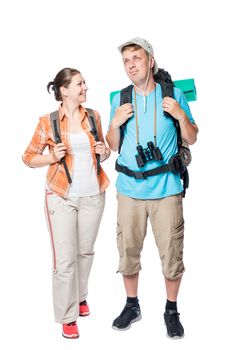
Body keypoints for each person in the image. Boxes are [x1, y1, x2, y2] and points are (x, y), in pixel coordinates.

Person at [106, 38, 198, 338]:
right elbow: (113, 146)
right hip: (129, 189)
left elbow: (193, 137)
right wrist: (115, 124)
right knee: (127, 251)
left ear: (150, 60)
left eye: (137, 58)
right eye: (126, 61)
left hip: (167, 189)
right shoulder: (119, 99)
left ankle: (171, 310)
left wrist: (180, 115)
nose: (131, 64)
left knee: (172, 254)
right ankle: (132, 305)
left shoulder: (174, 94)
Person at [23, 67, 110, 339]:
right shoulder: (47, 122)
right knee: (64, 260)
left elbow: (104, 152)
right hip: (60, 196)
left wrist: (104, 151)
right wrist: (50, 158)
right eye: (80, 84)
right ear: (64, 90)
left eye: (85, 82)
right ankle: (67, 316)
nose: (85, 87)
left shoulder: (93, 116)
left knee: (85, 252)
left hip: (93, 194)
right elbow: (28, 157)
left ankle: (80, 297)